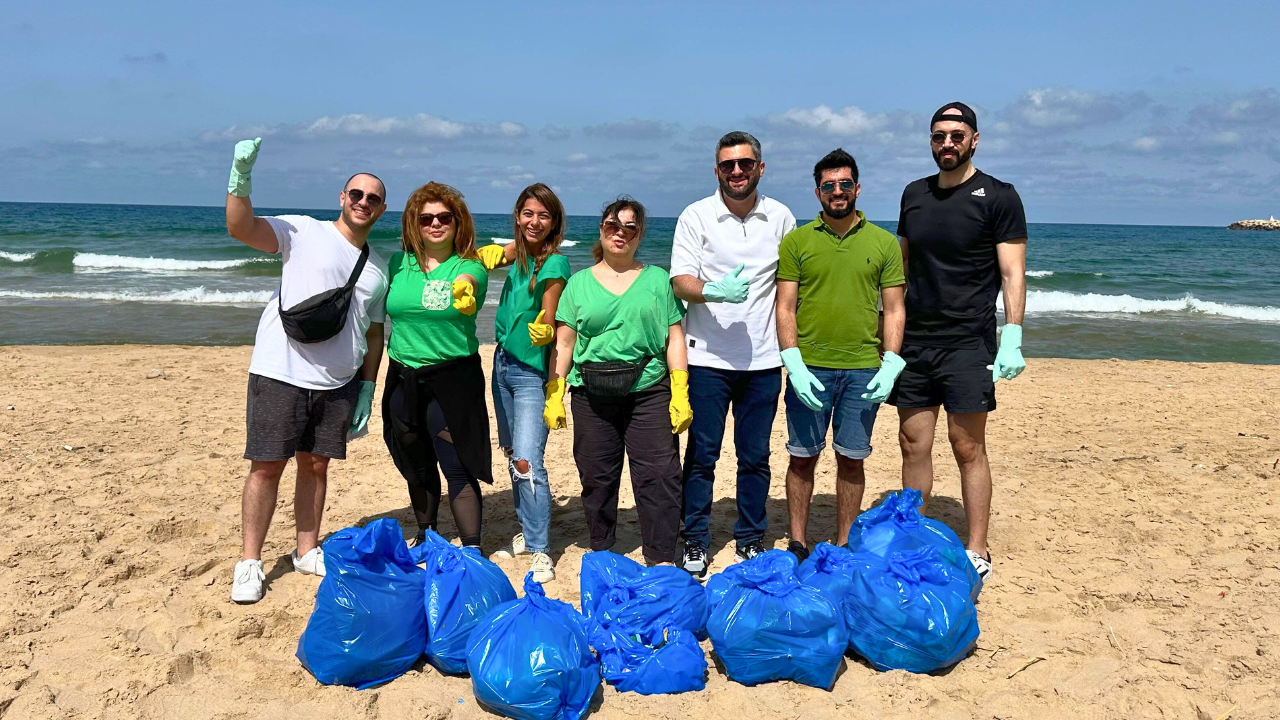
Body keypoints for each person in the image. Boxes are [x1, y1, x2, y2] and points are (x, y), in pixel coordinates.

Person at [224, 138, 390, 604]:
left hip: (339, 382)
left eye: (372, 198)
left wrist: (367, 386)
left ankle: (306, 549)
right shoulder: (301, 230)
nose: (362, 202)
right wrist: (240, 178)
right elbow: (242, 227)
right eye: (355, 194)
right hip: (281, 371)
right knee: (266, 466)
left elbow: (374, 332)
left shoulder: (377, 268)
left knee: (316, 466)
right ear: (342, 198)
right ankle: (250, 562)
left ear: (381, 209)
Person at [889, 102, 1027, 581]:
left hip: (969, 341)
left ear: (974, 139)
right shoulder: (914, 195)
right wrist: (885, 333)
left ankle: (977, 547)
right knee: (912, 443)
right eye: (938, 135)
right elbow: (899, 269)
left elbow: (1012, 272)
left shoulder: (999, 196)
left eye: (956, 134)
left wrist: (1012, 334)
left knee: (967, 445)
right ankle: (916, 537)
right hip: (915, 341)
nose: (946, 143)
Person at [668, 131, 796, 579]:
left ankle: (749, 538)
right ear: (716, 170)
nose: (736, 172)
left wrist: (794, 351)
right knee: (702, 455)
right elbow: (679, 279)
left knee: (755, 455)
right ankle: (696, 541)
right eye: (727, 165)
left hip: (763, 360)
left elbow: (791, 286)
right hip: (706, 359)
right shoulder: (696, 216)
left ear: (760, 167)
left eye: (745, 164)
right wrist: (712, 291)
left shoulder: (781, 217)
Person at [775, 148, 906, 562]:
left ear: (857, 188)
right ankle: (798, 540)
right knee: (802, 457)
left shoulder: (884, 243)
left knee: (852, 459)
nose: (837, 191)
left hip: (863, 369)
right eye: (829, 185)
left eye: (845, 184)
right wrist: (792, 362)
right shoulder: (797, 240)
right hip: (809, 367)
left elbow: (895, 309)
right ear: (818, 192)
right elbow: (785, 307)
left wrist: (891, 363)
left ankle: (845, 541)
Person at [545, 197, 691, 566]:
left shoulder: (657, 280)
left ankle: (660, 557)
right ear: (601, 229)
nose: (620, 232)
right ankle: (603, 547)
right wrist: (555, 390)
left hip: (650, 390)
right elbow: (564, 341)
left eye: (630, 227)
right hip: (592, 394)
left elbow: (674, 337)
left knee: (659, 477)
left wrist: (680, 389)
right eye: (613, 224)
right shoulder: (578, 283)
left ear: (640, 235)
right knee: (596, 475)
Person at [382, 182, 493, 550]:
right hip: (403, 377)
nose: (435, 224)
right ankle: (426, 534)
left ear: (457, 222)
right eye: (425, 217)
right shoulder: (399, 264)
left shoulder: (468, 265)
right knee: (416, 463)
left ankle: (472, 548)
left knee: (457, 466)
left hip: (452, 380)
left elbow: (472, 280)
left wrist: (464, 288)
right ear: (414, 223)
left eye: (444, 217)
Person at [473, 183, 571, 582]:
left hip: (531, 373)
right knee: (513, 453)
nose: (535, 221)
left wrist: (546, 333)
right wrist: (478, 262)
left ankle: (542, 549)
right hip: (500, 364)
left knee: (529, 461)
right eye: (528, 213)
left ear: (554, 222)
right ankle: (528, 534)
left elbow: (550, 315)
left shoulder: (555, 263)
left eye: (543, 215)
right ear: (517, 216)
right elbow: (475, 261)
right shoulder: (518, 254)